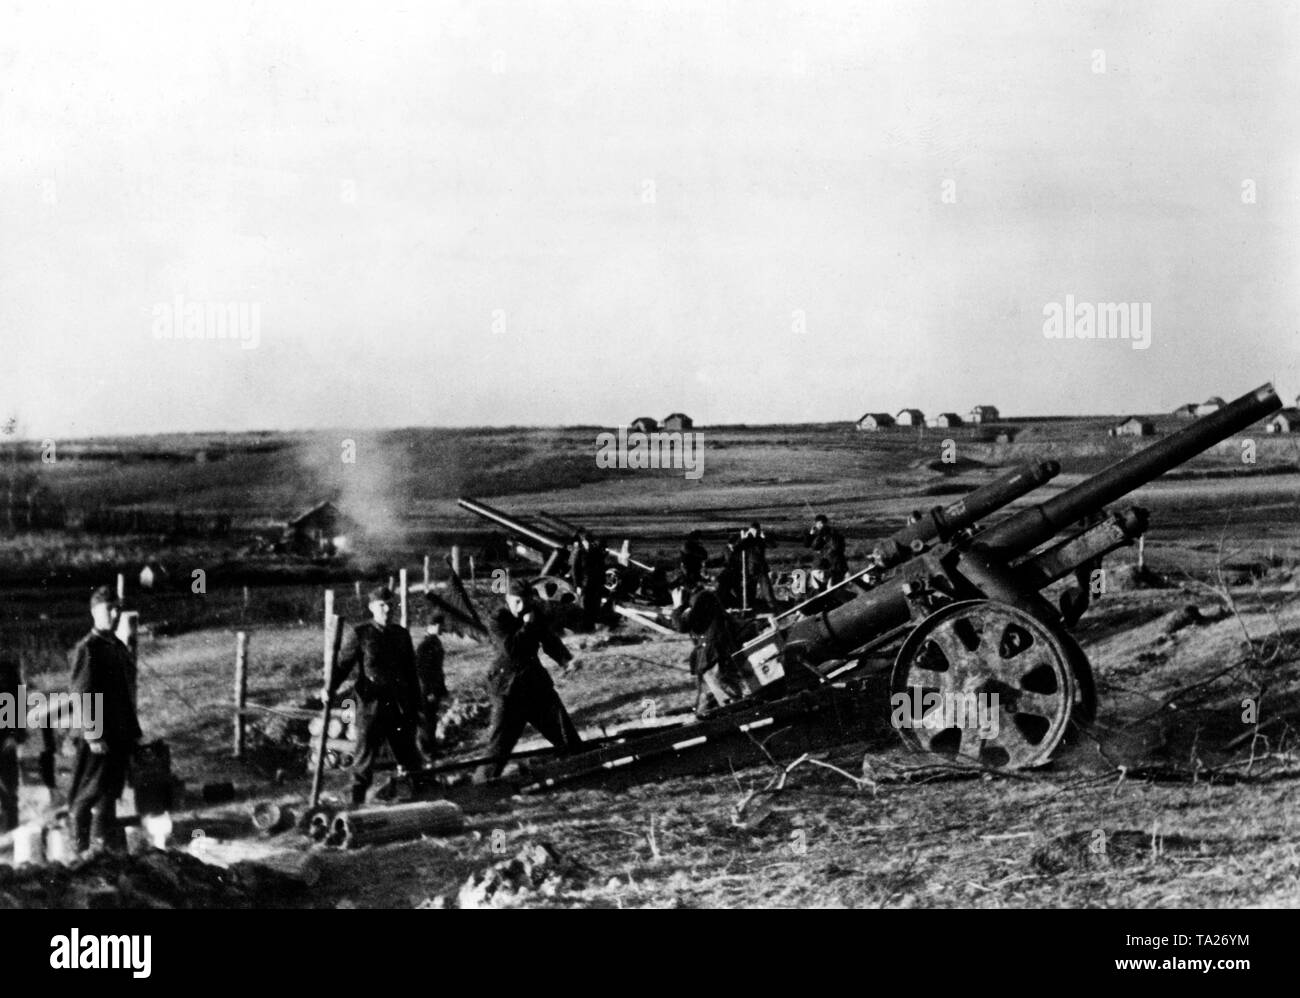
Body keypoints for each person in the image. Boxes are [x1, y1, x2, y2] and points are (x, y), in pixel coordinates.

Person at [477, 578, 582, 781]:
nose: (521, 607)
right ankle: (482, 784)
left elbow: (549, 640)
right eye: (516, 602)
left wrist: (566, 660)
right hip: (508, 689)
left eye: (524, 601)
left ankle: (582, 765)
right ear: (507, 599)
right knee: (500, 744)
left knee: (564, 731)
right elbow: (512, 649)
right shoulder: (497, 619)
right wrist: (529, 625)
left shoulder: (533, 614)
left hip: (535, 685)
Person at [329, 585, 424, 805]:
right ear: (372, 607)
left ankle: (417, 802)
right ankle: (355, 806)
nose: (387, 610)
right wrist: (330, 688)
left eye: (391, 605)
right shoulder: (361, 633)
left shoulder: (401, 634)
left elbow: (411, 673)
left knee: (409, 756)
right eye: (382, 605)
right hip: (371, 706)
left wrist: (417, 705)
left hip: (399, 706)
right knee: (364, 761)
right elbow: (343, 666)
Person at [67, 586, 141, 853]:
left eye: (115, 608)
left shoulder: (118, 646)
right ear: (93, 612)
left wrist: (131, 732)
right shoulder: (89, 649)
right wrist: (93, 733)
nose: (113, 612)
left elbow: (125, 693)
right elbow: (81, 692)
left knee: (109, 795)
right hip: (96, 737)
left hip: (118, 735)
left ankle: (102, 853)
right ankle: (78, 852)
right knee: (85, 796)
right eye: (107, 608)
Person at [670, 587, 747, 716]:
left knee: (726, 692)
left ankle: (741, 716)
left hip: (713, 654)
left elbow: (681, 626)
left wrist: (678, 606)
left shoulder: (702, 598)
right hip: (710, 654)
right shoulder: (701, 598)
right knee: (706, 701)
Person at [414, 607, 448, 759]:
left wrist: (442, 689)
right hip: (426, 691)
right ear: (432, 626)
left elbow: (438, 670)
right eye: (440, 625)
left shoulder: (435, 643)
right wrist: (430, 692)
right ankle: (426, 751)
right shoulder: (425, 646)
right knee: (426, 722)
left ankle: (432, 749)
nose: (442, 628)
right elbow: (423, 673)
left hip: (434, 689)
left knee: (432, 720)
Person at [0, 656, 23, 832]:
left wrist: (14, 734)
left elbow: (19, 702)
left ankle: (11, 832)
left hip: (4, 738)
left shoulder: (7, 668)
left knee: (8, 788)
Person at [570, 529, 607, 631]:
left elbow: (601, 568)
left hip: (596, 584)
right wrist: (577, 585)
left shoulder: (596, 552)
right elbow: (575, 571)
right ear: (583, 542)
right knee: (585, 607)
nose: (588, 544)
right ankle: (585, 628)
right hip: (584, 585)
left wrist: (603, 582)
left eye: (590, 541)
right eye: (586, 541)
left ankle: (592, 627)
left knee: (595, 606)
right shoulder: (579, 553)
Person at [806, 513, 849, 589]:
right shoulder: (817, 534)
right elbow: (809, 545)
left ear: (826, 523)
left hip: (834, 563)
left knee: (836, 583)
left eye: (822, 523)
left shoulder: (831, 533)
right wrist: (811, 535)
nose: (820, 525)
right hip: (825, 564)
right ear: (816, 524)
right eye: (819, 524)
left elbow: (836, 548)